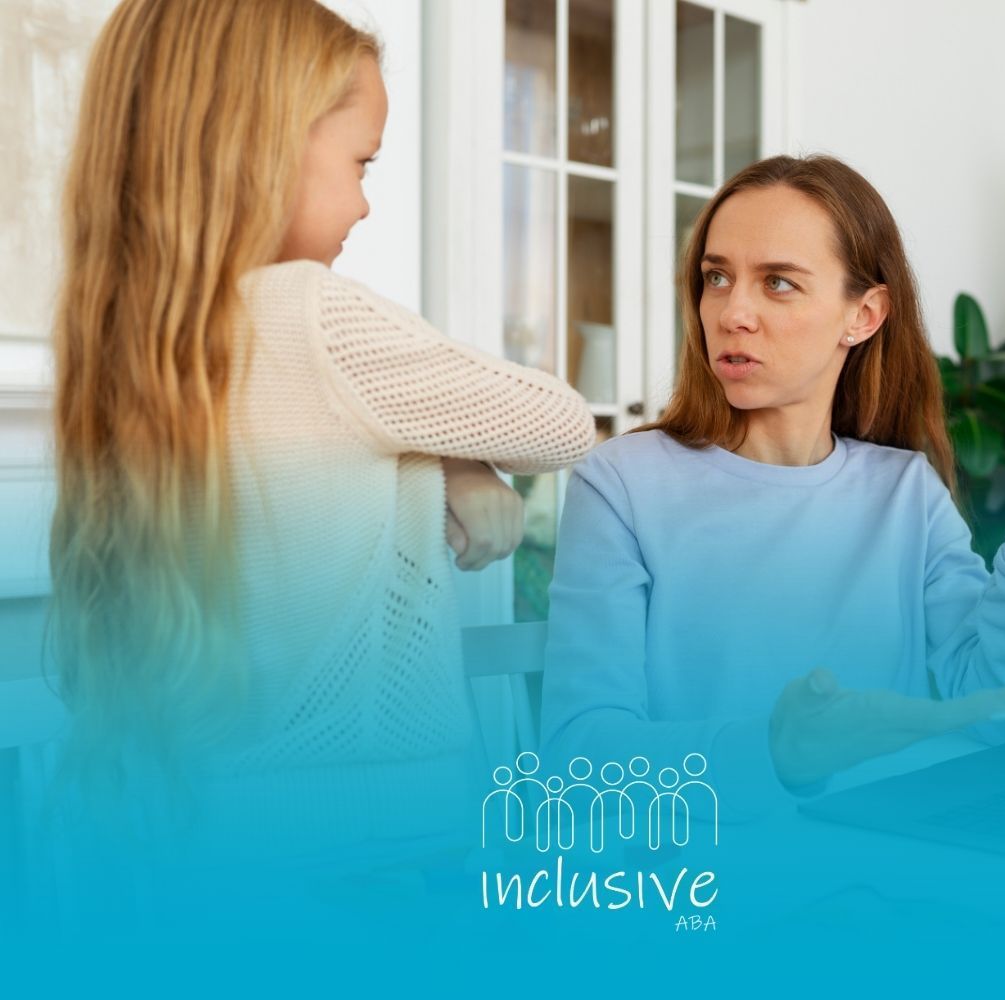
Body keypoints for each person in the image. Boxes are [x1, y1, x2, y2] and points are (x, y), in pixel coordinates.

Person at [47, 0, 595, 856]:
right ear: (260, 148)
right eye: (361, 163)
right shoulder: (315, 317)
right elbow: (560, 423)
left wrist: (442, 455)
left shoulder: (130, 348)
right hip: (371, 836)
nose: (367, 205)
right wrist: (455, 452)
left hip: (187, 837)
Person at [539, 154, 1005, 818]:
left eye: (778, 283)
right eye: (717, 277)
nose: (732, 312)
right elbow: (579, 755)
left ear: (864, 314)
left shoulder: (905, 492)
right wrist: (775, 750)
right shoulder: (623, 484)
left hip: (891, 863)